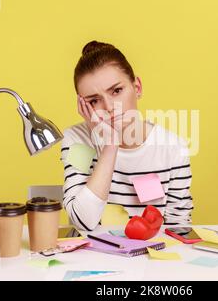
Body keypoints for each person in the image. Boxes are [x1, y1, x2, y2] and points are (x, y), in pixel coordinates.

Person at [60, 40, 193, 231]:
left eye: (116, 91)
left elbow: (179, 229)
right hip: (93, 259)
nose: (109, 107)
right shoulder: (77, 141)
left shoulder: (173, 147)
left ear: (137, 88)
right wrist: (111, 145)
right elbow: (83, 221)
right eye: (94, 101)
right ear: (84, 106)